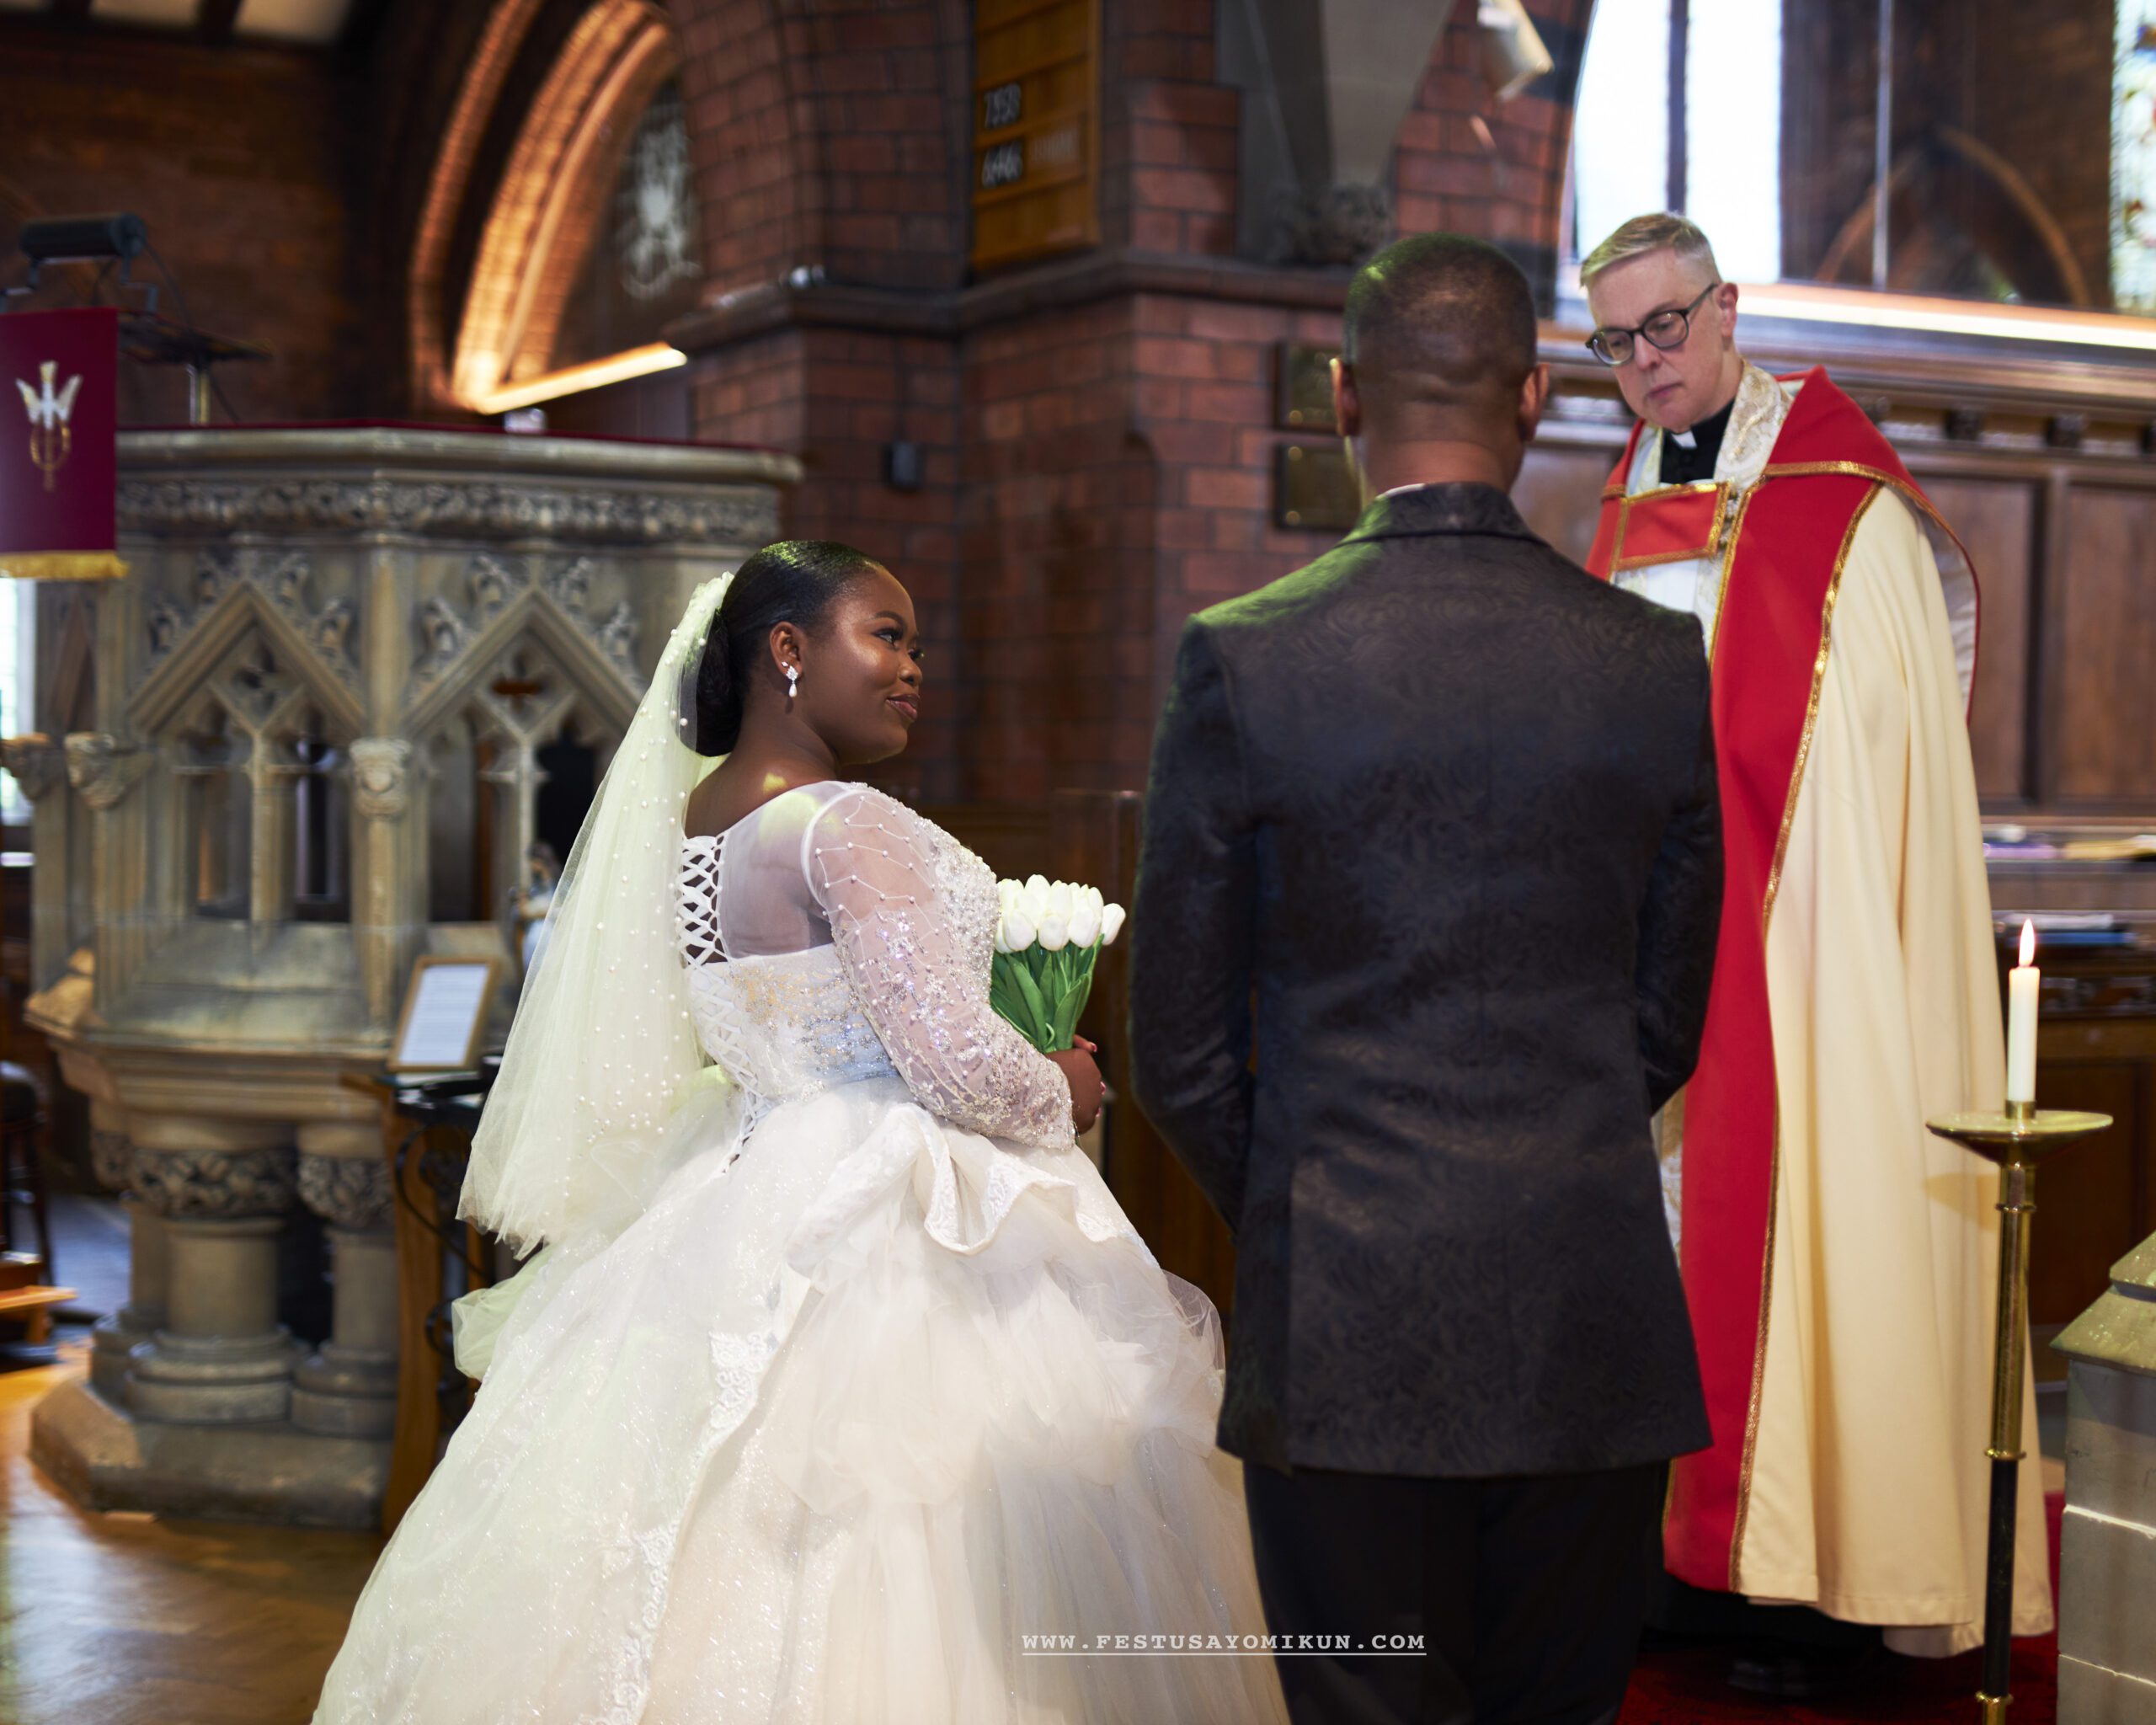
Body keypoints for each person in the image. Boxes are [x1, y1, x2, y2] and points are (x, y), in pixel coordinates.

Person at [313, 542, 1289, 1724]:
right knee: (925, 1522)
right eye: (885, 635)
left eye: (915, 644)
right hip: (886, 1203)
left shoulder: (701, 822)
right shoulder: (844, 823)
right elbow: (950, 1060)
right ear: (787, 650)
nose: (912, 667)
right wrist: (1065, 1085)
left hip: (740, 1176)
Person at [1128, 233, 1725, 1725]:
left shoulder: (1246, 659)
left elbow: (1178, 1053)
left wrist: (1314, 1199)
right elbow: (1666, 1016)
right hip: (1586, 1304)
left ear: (1342, 395)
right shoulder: (1653, 658)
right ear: (1534, 397)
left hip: (1345, 1316)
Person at [1577, 211, 2049, 1661]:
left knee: (1809, 1224)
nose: (1647, 362)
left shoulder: (1842, 499)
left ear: (1727, 309)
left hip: (1803, 941)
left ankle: (1811, 1575)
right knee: (1655, 1249)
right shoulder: (1619, 502)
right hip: (1650, 944)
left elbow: (1876, 746)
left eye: (1667, 326)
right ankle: (1672, 1559)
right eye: (1615, 342)